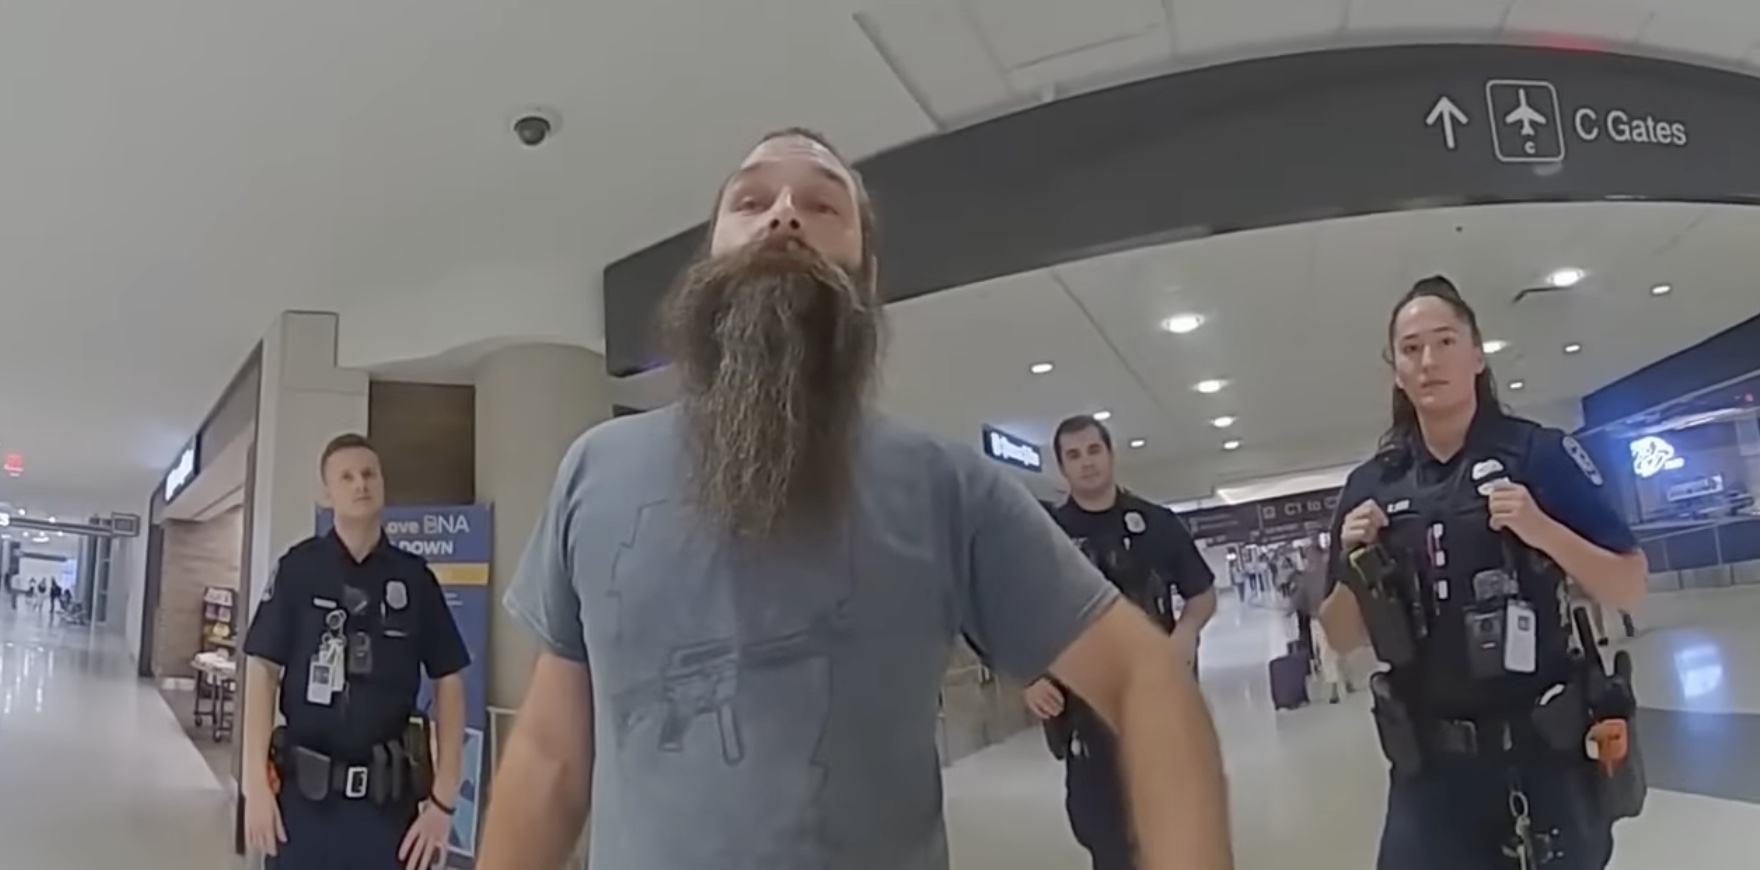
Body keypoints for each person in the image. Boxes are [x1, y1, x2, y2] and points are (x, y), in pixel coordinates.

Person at [476, 128, 1233, 870]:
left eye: (821, 205)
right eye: (751, 200)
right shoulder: (595, 470)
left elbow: (1145, 679)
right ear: (710, 257)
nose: (782, 214)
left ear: (865, 280)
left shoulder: (945, 485)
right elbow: (549, 757)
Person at [1317, 276, 1647, 870]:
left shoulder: (1537, 455)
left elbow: (1629, 583)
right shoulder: (1372, 485)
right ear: (1396, 370)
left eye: (1445, 341)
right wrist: (1351, 561)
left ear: (1477, 355)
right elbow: (1339, 636)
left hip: (1541, 761)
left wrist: (1541, 529)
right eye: (1411, 348)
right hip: (1429, 774)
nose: (1428, 361)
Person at [239, 433, 471, 870]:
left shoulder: (414, 579)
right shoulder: (298, 570)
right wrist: (255, 784)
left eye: (369, 474)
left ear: (382, 483)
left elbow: (450, 677)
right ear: (328, 492)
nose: (360, 484)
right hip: (302, 804)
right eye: (346, 476)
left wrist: (444, 798)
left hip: (387, 809)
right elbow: (262, 668)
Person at [1030, 413, 1218, 869]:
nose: (1087, 463)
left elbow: (1202, 593)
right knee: (1108, 841)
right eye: (1073, 455)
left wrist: (1186, 634)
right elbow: (1015, 612)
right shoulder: (1043, 536)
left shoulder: (1157, 524)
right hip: (1086, 714)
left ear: (1110, 455)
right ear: (1061, 468)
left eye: (1094, 450)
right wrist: (1029, 676)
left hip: (1160, 705)